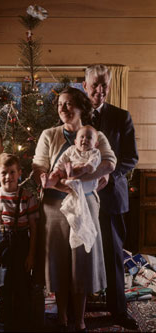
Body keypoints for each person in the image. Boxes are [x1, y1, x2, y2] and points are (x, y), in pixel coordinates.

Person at [32, 86, 117, 332]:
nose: (63, 108)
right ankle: (61, 316)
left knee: (81, 261)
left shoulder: (95, 135)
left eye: (69, 103)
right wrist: (57, 182)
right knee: (58, 259)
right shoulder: (49, 134)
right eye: (60, 104)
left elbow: (109, 162)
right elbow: (39, 167)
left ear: (82, 107)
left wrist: (87, 177)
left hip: (85, 204)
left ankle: (79, 318)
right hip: (54, 206)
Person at [83, 64, 139, 330]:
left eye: (104, 84)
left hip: (112, 198)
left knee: (114, 256)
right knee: (80, 255)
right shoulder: (74, 117)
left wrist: (110, 176)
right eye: (95, 84)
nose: (100, 90)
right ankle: (77, 311)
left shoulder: (122, 117)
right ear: (85, 86)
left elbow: (131, 158)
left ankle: (118, 311)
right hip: (81, 201)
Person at [0, 153, 39, 332]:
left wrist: (31, 254)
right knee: (2, 288)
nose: (8, 177)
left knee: (22, 287)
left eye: (12, 172)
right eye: (4, 173)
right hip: (1, 243)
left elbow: (34, 228)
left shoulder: (28, 197)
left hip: (22, 242)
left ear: (20, 173)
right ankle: (2, 325)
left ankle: (23, 324)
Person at [41, 125, 101, 192]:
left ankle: (71, 178)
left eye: (89, 138)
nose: (85, 139)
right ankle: (48, 183)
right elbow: (63, 159)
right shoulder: (72, 149)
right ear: (75, 142)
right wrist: (58, 169)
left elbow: (94, 161)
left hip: (87, 180)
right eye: (82, 137)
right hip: (69, 172)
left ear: (95, 144)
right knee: (56, 175)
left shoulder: (95, 152)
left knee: (80, 167)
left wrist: (86, 167)